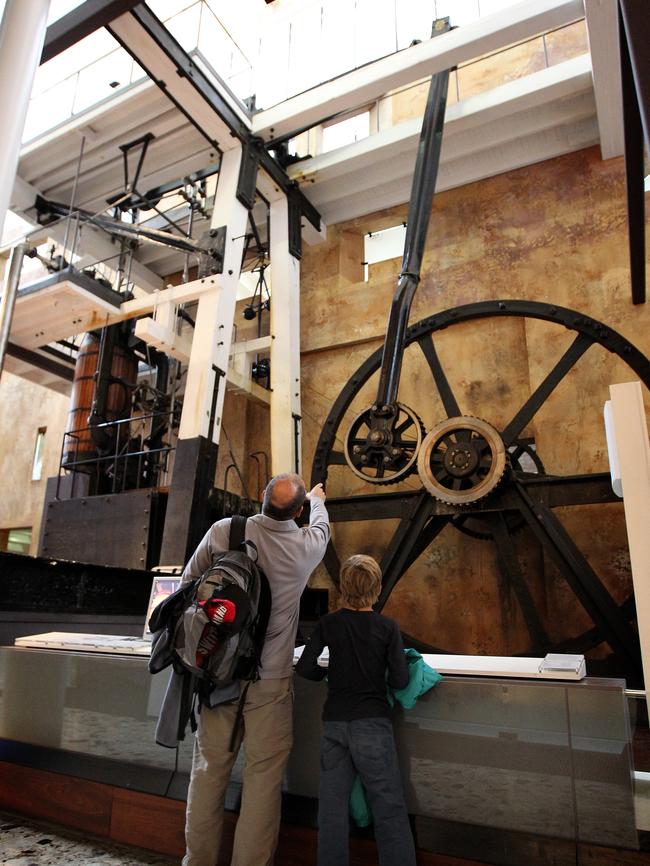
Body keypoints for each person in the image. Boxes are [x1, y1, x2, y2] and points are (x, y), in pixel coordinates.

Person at [181, 473, 329, 866]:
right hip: (270, 684)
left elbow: (188, 587)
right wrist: (317, 499)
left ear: (261, 498)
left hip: (219, 677)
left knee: (209, 773)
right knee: (263, 783)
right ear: (297, 512)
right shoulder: (305, 547)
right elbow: (322, 526)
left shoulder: (224, 531)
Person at [295, 554, 416, 866]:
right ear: (376, 587)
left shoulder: (328, 624)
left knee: (332, 810)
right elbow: (401, 680)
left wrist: (329, 674)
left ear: (343, 587)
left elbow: (306, 667)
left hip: (335, 724)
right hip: (373, 725)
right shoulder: (387, 627)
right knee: (388, 807)